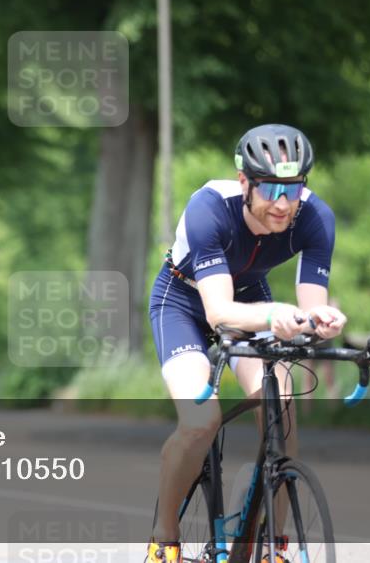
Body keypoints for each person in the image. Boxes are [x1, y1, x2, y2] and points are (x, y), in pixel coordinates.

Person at [146, 124, 347, 563]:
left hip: (251, 296)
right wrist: (278, 316)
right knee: (201, 420)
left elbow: (311, 307)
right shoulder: (210, 208)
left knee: (284, 401)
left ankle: (272, 543)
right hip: (182, 301)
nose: (282, 204)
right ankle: (164, 537)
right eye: (271, 189)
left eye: (292, 190)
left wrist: (322, 320)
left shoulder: (316, 218)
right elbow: (218, 311)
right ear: (244, 182)